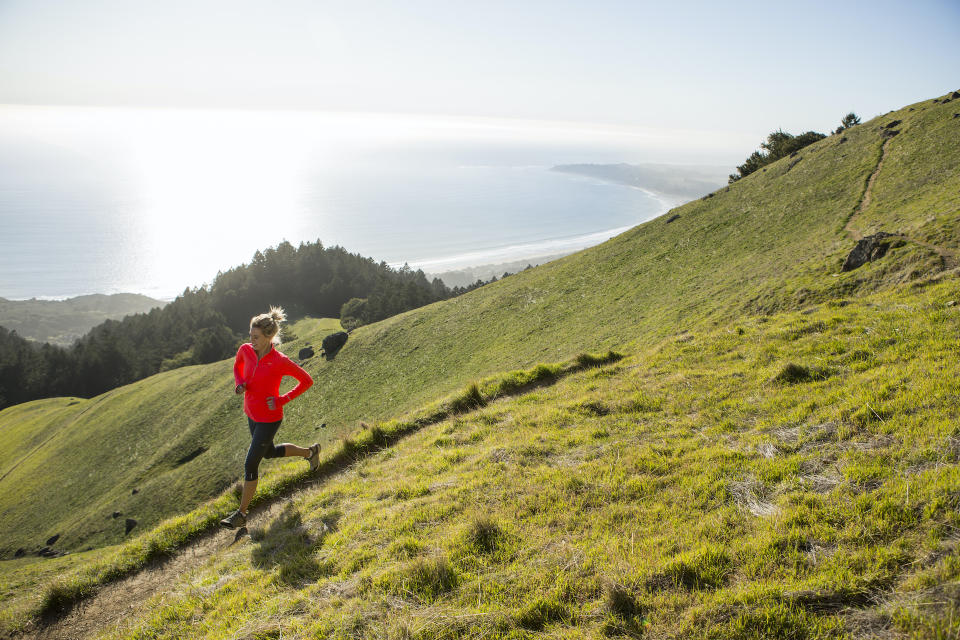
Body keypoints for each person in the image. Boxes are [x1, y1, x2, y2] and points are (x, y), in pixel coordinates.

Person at [220, 306, 320, 529]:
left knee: (251, 463)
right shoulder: (245, 350)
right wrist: (239, 384)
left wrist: (282, 399)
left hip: (269, 418)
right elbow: (237, 367)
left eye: (256, 337)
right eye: (250, 336)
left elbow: (307, 380)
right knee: (270, 453)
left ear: (269, 337)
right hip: (251, 414)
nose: (251, 340)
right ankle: (311, 452)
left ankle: (241, 514)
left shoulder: (280, 361)